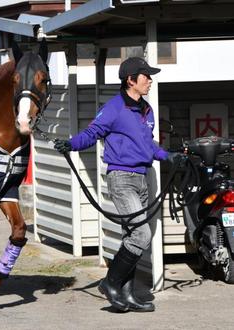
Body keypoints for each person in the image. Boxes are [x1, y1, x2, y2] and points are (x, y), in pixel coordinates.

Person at [54, 57, 184, 313]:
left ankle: (127, 295)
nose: (150, 80)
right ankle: (110, 283)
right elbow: (92, 133)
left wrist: (169, 156)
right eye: (146, 76)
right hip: (121, 178)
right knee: (142, 234)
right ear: (131, 80)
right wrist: (71, 144)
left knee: (131, 236)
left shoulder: (147, 110)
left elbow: (148, 146)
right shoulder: (113, 108)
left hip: (142, 178)